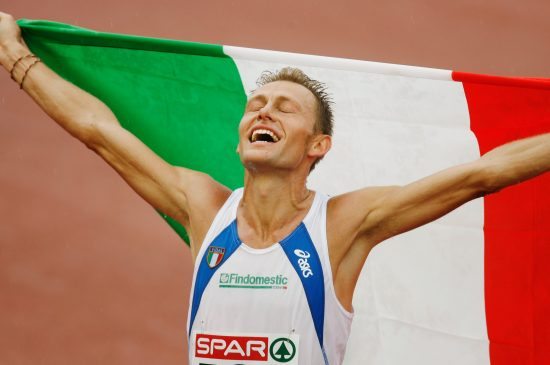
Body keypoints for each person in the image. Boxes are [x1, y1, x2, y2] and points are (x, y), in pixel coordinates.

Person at [1, 11, 549, 365]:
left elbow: (481, 174)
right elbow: (100, 132)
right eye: (257, 105)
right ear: (241, 139)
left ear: (317, 147)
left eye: (286, 109)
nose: (264, 111)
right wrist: (14, 56)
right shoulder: (203, 207)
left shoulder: (341, 226)